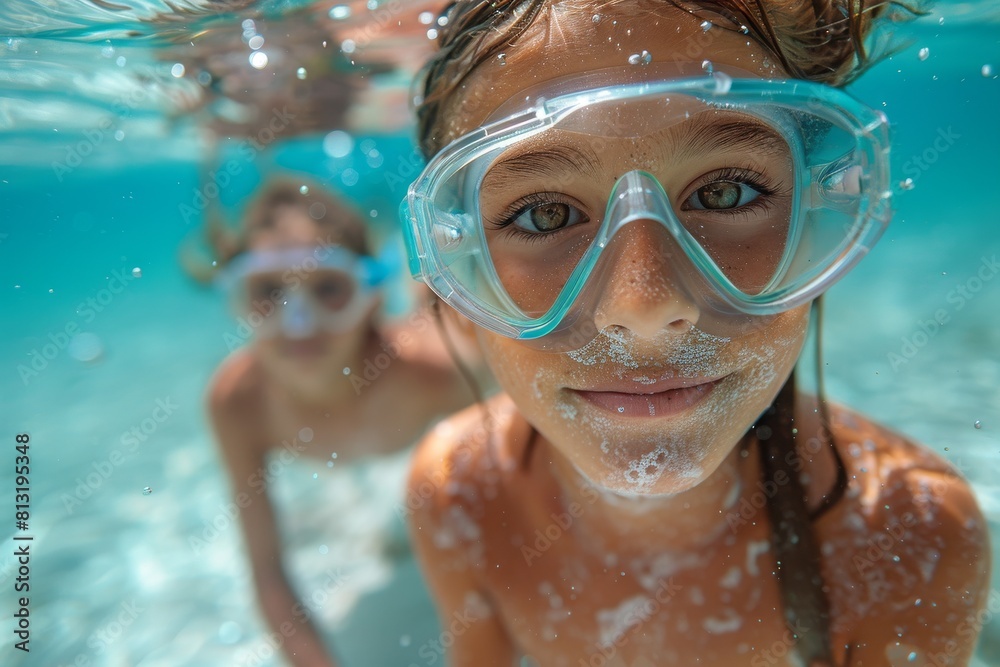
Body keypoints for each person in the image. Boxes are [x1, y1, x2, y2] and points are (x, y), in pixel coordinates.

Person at [401, 1, 991, 665]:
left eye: (726, 193)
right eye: (546, 214)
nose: (645, 306)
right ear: (456, 264)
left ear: (815, 218)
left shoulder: (905, 535)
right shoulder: (459, 492)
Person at [202, 176, 478, 667]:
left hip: (418, 338)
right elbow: (267, 571)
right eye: (268, 291)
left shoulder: (435, 373)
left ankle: (417, 263)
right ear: (240, 301)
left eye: (329, 288)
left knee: (436, 303)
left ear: (370, 294)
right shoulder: (238, 404)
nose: (298, 322)